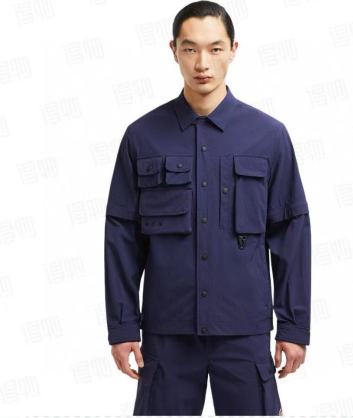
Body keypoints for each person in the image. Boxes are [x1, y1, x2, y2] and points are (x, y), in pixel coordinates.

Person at [104, 1, 311, 415]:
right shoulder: (142, 137)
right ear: (174, 50)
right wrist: (123, 326)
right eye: (190, 48)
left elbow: (291, 233)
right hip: (167, 334)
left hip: (244, 332)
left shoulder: (269, 137)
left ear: (233, 49)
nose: (202, 63)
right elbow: (122, 237)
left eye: (215, 48)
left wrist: (293, 326)